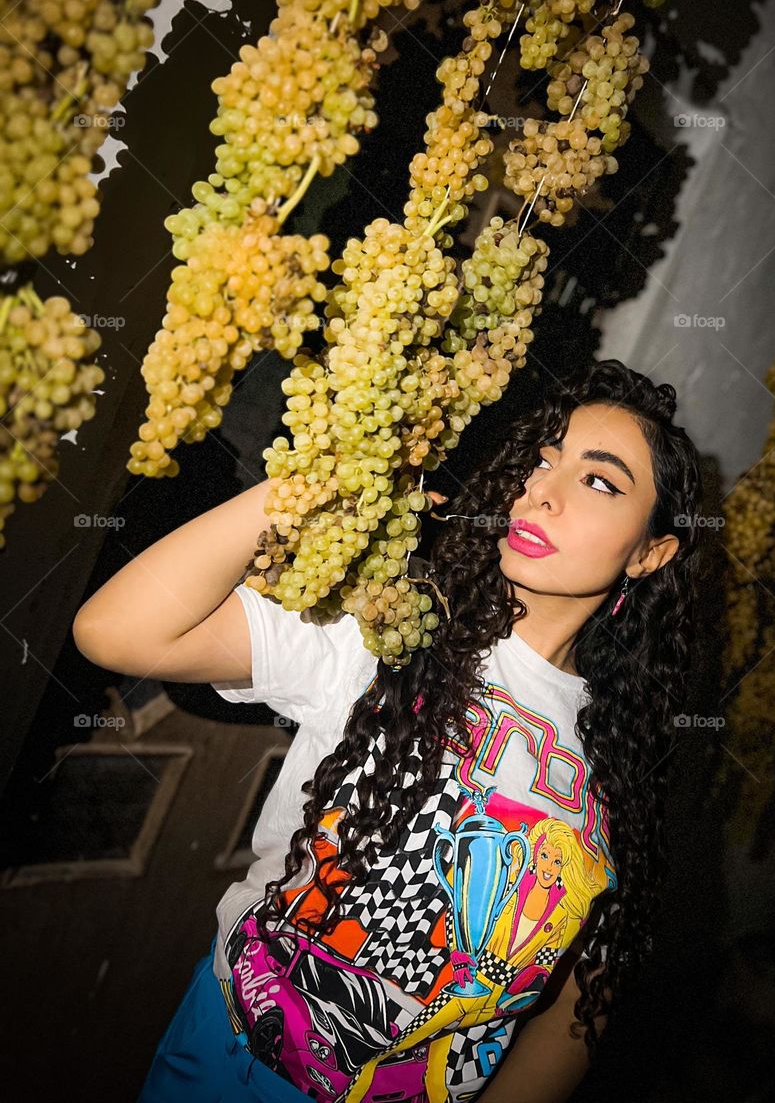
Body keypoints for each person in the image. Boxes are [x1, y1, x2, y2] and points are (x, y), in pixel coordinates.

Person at [73, 357, 704, 1102]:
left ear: (651, 552)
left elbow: (577, 1011)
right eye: (542, 460)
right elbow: (112, 632)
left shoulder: (619, 765)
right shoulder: (388, 630)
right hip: (223, 1060)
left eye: (598, 481)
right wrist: (306, 488)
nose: (543, 492)